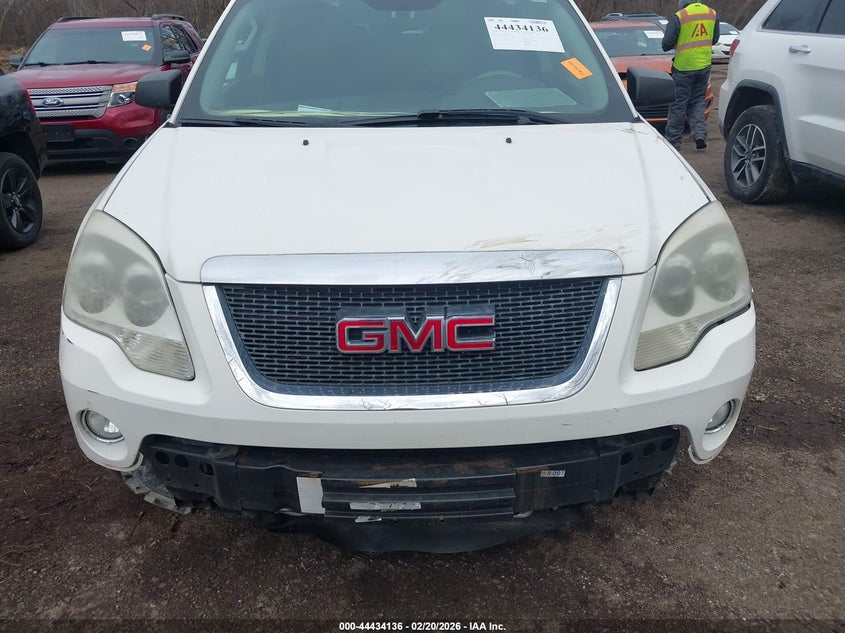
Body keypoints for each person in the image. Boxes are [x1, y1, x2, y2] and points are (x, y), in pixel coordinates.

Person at [662, 0, 720, 150]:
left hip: (683, 67)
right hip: (704, 65)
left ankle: (673, 142)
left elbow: (666, 44)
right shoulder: (711, 13)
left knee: (678, 105)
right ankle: (699, 134)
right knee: (697, 102)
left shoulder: (679, 16)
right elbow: (714, 39)